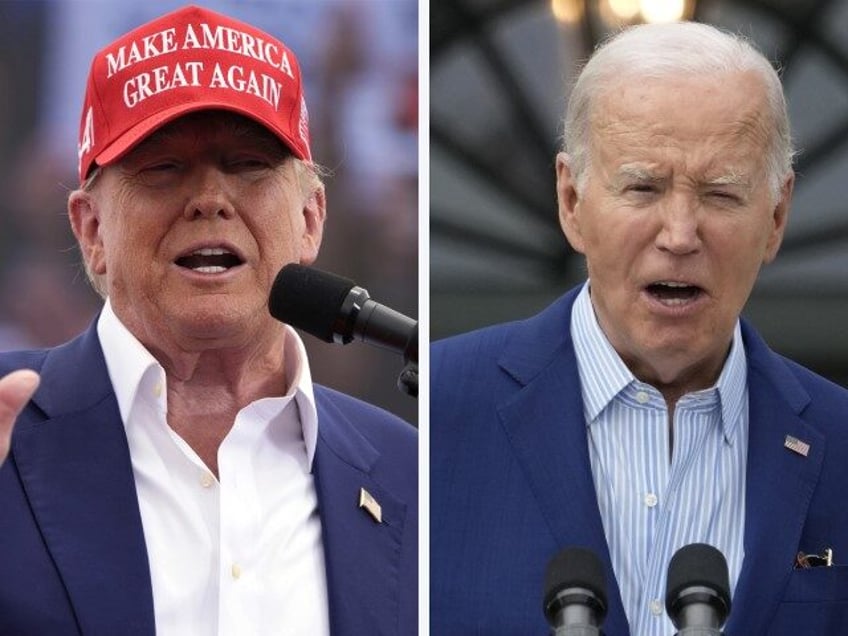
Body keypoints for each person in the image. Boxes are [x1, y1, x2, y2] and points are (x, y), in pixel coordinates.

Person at [0, 5, 417, 636]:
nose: (210, 201)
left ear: (310, 219)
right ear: (91, 231)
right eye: (163, 168)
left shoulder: (410, 474)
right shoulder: (7, 438)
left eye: (248, 165)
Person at [430, 21, 848, 636]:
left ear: (778, 216)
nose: (679, 234)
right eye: (643, 187)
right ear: (571, 201)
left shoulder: (839, 444)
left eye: (721, 193)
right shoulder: (440, 410)